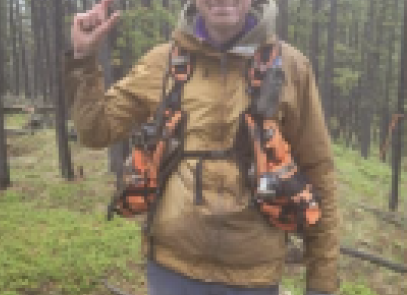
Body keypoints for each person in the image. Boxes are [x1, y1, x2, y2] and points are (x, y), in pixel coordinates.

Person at [64, 0, 340, 294]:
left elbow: (319, 172)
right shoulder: (162, 62)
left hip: (254, 275)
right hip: (172, 268)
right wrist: (83, 58)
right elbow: (95, 131)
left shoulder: (291, 67)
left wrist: (322, 282)